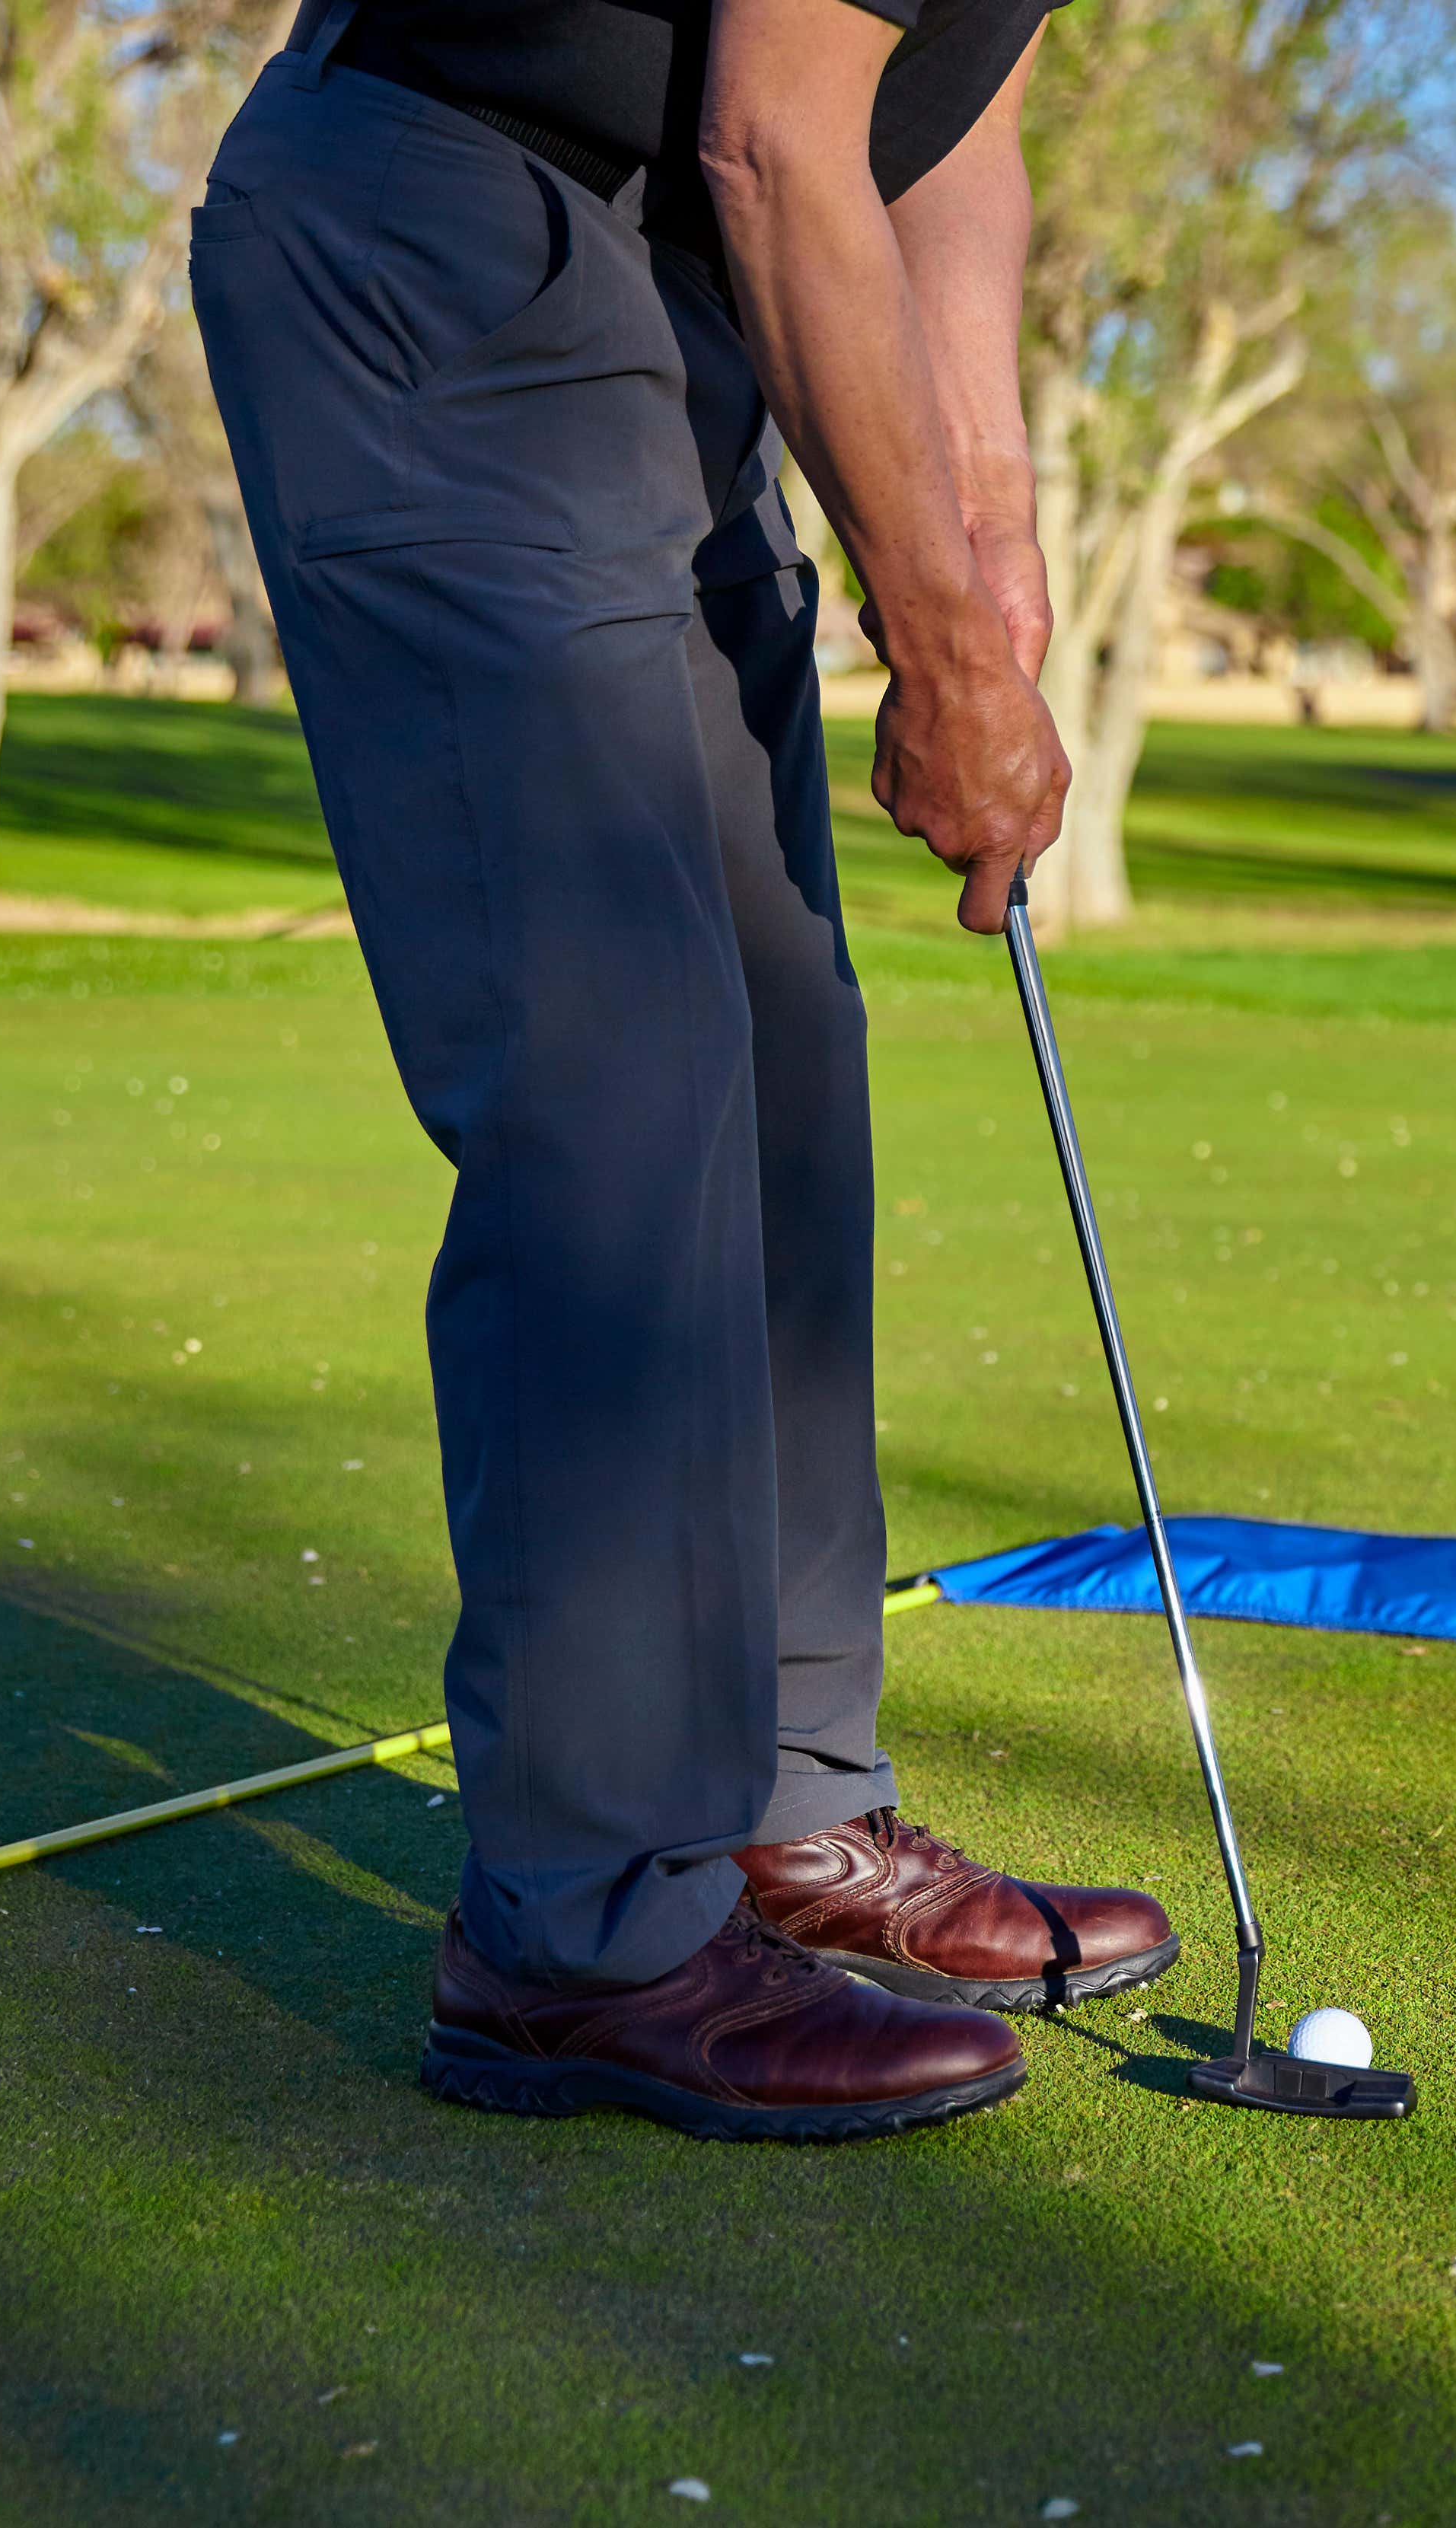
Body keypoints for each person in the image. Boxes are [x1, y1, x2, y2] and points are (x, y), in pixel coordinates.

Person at [192, 0, 1172, 2141]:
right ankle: (585, 1930)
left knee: (785, 1054)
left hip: (677, 275)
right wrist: (935, 642)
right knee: (614, 1079)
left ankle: (783, 1805)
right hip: (441, 232)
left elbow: (947, 141)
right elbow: (779, 138)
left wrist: (987, 538)